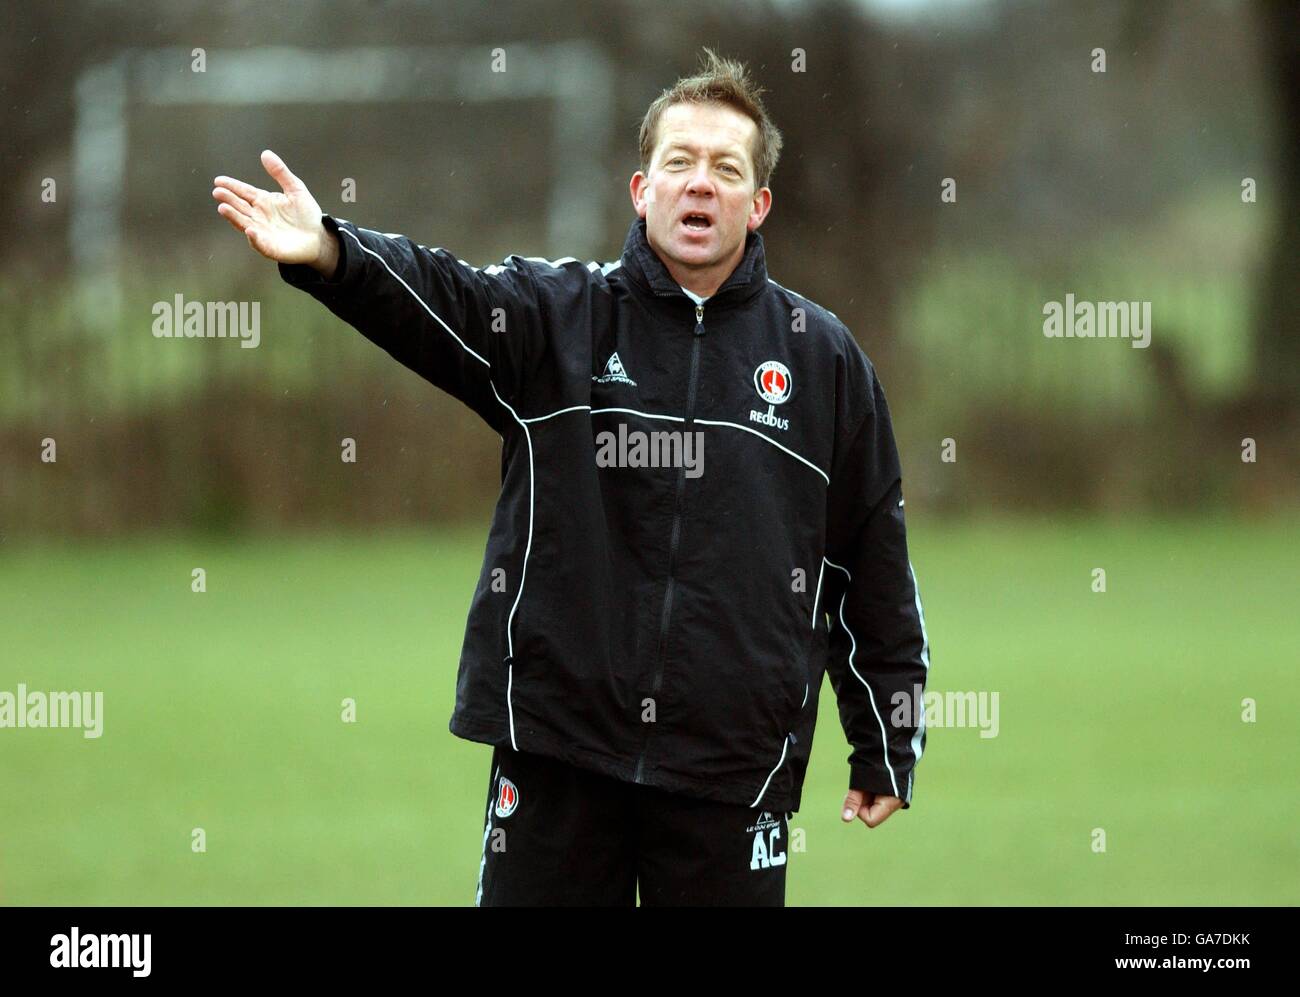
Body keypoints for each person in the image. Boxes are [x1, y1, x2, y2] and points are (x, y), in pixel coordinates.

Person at [212, 48, 931, 907]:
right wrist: (333, 253)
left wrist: (887, 738)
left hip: (730, 772)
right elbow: (443, 299)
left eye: (724, 169)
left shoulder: (824, 362)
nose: (699, 184)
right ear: (642, 189)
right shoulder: (559, 318)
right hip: (558, 753)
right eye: (679, 162)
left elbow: (871, 562)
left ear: (758, 203)